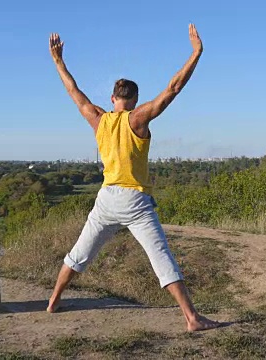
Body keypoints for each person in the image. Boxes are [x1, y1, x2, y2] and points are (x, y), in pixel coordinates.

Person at [46, 24, 219, 332]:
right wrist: (196, 53)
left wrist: (58, 61)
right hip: (135, 201)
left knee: (80, 253)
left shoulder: (98, 120)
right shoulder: (138, 119)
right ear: (135, 99)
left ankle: (54, 300)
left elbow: (74, 92)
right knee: (161, 256)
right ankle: (192, 318)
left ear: (113, 98)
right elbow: (172, 89)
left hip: (106, 198)